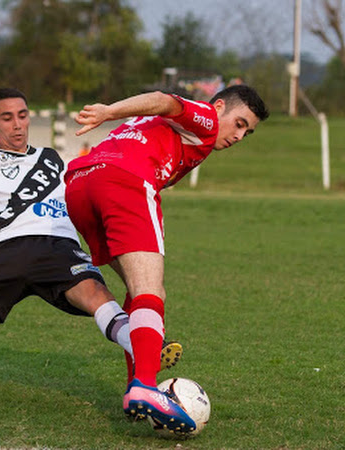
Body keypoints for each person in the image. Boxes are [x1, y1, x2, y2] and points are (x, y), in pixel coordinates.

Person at [0, 38, 180, 398]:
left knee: (98, 298)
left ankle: (148, 353)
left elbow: (98, 191)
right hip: (6, 248)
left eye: (22, 115)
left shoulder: (57, 159)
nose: (17, 125)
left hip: (58, 248)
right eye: (6, 117)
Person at [65, 86, 269, 434]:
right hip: (123, 181)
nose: (237, 135)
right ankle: (144, 385)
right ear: (218, 107)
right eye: (237, 123)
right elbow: (164, 99)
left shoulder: (158, 127)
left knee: (138, 289)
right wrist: (107, 111)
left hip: (80, 185)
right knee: (150, 291)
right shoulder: (205, 119)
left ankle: (137, 384)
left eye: (246, 132)